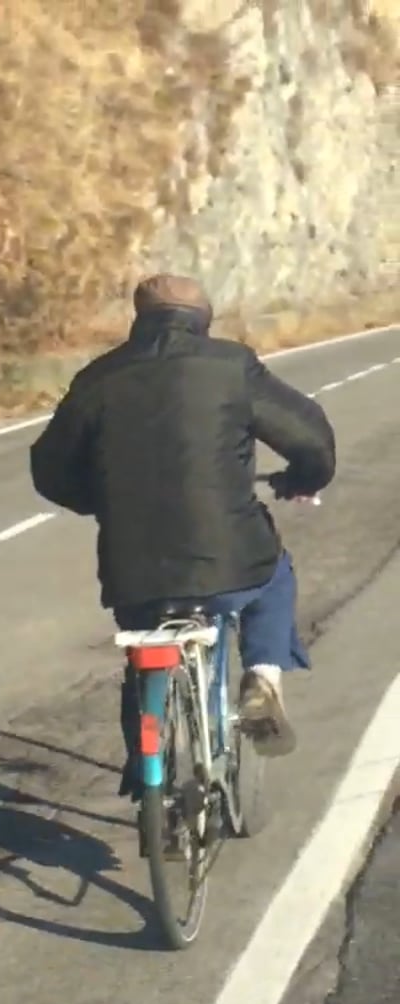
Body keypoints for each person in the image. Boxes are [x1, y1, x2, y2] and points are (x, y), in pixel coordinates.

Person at [29, 274, 336, 797]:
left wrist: (105, 504)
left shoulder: (97, 378)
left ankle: (144, 765)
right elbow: (309, 437)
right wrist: (303, 479)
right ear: (202, 318)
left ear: (138, 318)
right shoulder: (230, 365)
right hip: (233, 559)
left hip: (133, 567)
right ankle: (263, 676)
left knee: (143, 650)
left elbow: (50, 470)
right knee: (274, 576)